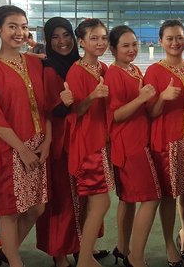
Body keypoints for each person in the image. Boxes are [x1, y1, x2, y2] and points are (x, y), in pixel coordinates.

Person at [0, 5, 51, 267]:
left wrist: (48, 141)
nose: (19, 32)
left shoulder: (34, 62)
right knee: (10, 210)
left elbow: (48, 107)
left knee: (36, 207)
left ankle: (8, 254)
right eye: (12, 26)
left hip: (38, 145)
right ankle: (14, 260)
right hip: (8, 149)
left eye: (23, 26)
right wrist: (21, 149)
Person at [144, 20, 184, 267]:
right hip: (167, 143)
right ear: (160, 42)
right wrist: (163, 98)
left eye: (179, 37)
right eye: (169, 38)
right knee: (168, 195)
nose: (175, 42)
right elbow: (151, 113)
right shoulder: (154, 71)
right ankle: (169, 242)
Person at [105, 25, 161, 267]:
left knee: (127, 199)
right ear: (113, 49)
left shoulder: (135, 70)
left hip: (137, 140)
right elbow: (115, 115)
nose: (131, 49)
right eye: (125, 45)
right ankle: (135, 257)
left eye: (134, 44)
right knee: (151, 198)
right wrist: (141, 98)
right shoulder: (113, 74)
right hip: (130, 145)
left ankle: (122, 247)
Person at [65, 18, 115, 267]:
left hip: (102, 144)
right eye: (94, 38)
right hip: (87, 146)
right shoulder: (76, 71)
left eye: (104, 38)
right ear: (81, 42)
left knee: (94, 203)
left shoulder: (103, 69)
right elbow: (75, 111)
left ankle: (86, 253)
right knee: (101, 201)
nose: (100, 42)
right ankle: (84, 259)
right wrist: (92, 96)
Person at [35, 16, 85, 267]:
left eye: (66, 35)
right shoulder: (49, 69)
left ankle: (81, 248)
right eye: (55, 37)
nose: (62, 41)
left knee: (83, 196)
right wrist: (65, 104)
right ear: (47, 40)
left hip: (81, 140)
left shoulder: (79, 64)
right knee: (62, 199)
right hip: (59, 142)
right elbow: (48, 109)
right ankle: (60, 253)